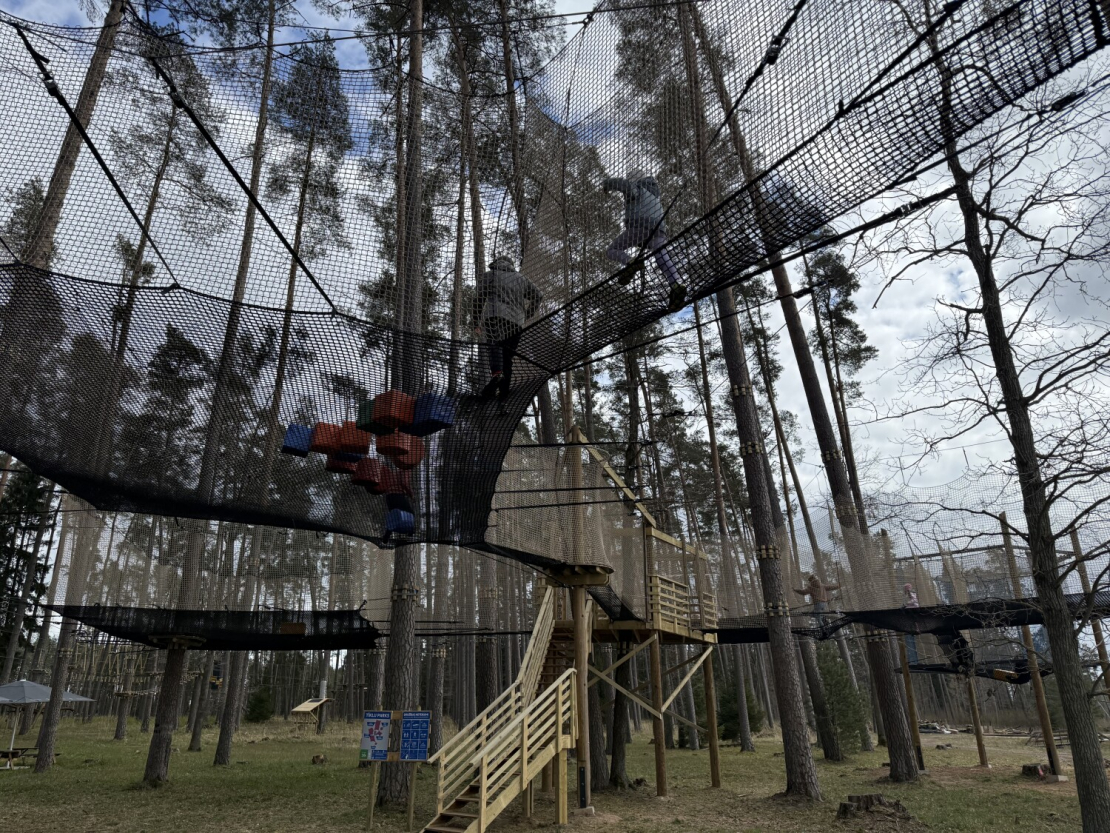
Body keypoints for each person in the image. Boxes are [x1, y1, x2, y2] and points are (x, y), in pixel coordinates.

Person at [602, 169, 686, 313]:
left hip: (639, 227)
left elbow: (626, 186)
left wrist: (607, 184)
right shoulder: (655, 196)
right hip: (658, 231)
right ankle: (676, 284)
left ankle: (631, 262)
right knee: (662, 257)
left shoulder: (638, 188)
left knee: (612, 250)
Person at [474, 255, 542, 399]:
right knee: (507, 357)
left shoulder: (490, 275)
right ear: (511, 264)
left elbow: (479, 299)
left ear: (497, 262)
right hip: (516, 323)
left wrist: (476, 321)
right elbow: (538, 295)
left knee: (495, 345)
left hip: (495, 316)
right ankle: (504, 392)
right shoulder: (521, 279)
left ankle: (497, 375)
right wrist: (527, 314)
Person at [902, 582, 920, 663]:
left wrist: (907, 604)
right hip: (911, 609)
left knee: (914, 620)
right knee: (913, 620)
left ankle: (916, 628)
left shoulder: (911, 593)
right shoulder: (908, 594)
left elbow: (914, 600)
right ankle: (914, 628)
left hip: (914, 608)